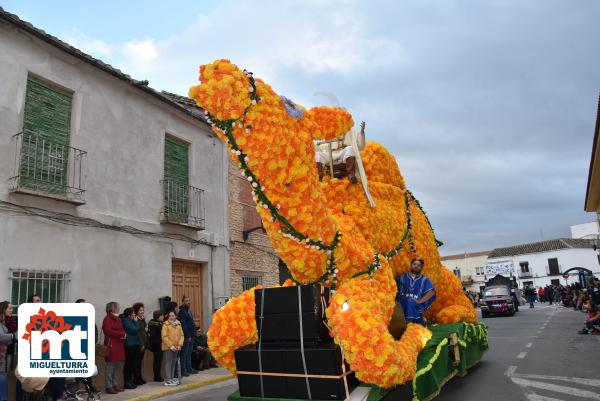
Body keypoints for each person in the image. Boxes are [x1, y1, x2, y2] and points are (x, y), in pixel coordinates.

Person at [395, 259, 436, 325]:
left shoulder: (424, 279)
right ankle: (414, 322)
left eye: (419, 265)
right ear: (411, 265)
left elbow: (431, 292)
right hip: (403, 305)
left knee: (411, 302)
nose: (416, 266)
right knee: (409, 301)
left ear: (421, 268)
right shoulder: (401, 277)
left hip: (417, 306)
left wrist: (420, 301)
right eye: (414, 264)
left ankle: (410, 323)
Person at [102, 302, 125, 394]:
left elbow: (121, 329)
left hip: (118, 343)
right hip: (111, 345)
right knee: (110, 367)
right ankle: (109, 386)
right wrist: (121, 334)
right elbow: (107, 331)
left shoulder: (118, 318)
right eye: (117, 307)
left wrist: (123, 334)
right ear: (113, 308)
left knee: (115, 367)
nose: (119, 308)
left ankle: (115, 385)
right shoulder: (107, 319)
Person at [162, 311, 184, 386]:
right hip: (168, 347)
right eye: (170, 316)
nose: (171, 317)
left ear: (175, 316)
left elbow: (182, 335)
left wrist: (180, 345)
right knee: (168, 363)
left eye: (173, 315)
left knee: (173, 363)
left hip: (176, 347)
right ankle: (168, 379)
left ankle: (171, 378)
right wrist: (171, 346)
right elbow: (164, 336)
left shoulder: (178, 324)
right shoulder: (165, 325)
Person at [0, 302, 17, 401]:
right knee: (2, 375)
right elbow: (1, 337)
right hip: (1, 355)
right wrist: (14, 335)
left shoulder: (11, 321)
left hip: (8, 352)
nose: (12, 310)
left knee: (4, 375)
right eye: (9, 308)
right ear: (3, 309)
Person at [122, 307, 141, 389]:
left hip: (135, 344)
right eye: (133, 313)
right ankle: (127, 382)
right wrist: (136, 322)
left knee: (133, 364)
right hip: (129, 345)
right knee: (129, 364)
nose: (134, 315)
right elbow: (135, 329)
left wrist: (135, 321)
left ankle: (131, 381)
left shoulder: (131, 320)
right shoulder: (126, 321)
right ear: (129, 315)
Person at [178, 296, 198, 376]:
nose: (188, 302)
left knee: (189, 353)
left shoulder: (188, 311)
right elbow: (184, 325)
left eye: (189, 300)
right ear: (183, 302)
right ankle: (183, 370)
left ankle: (189, 368)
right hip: (187, 337)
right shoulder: (182, 312)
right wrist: (188, 335)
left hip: (191, 335)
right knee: (184, 353)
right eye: (186, 301)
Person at [132, 303, 147, 386]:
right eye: (140, 310)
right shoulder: (136, 319)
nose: (142, 311)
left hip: (143, 343)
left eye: (143, 309)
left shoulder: (142, 319)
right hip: (139, 344)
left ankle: (139, 378)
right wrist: (141, 344)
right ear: (136, 311)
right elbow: (138, 333)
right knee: (136, 363)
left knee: (139, 362)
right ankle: (136, 379)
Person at [148, 310, 164, 382]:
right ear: (158, 317)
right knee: (157, 361)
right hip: (157, 345)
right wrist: (160, 342)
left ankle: (158, 375)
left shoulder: (160, 323)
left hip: (160, 345)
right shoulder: (154, 325)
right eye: (162, 315)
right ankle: (157, 376)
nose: (163, 317)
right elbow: (153, 336)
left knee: (159, 361)